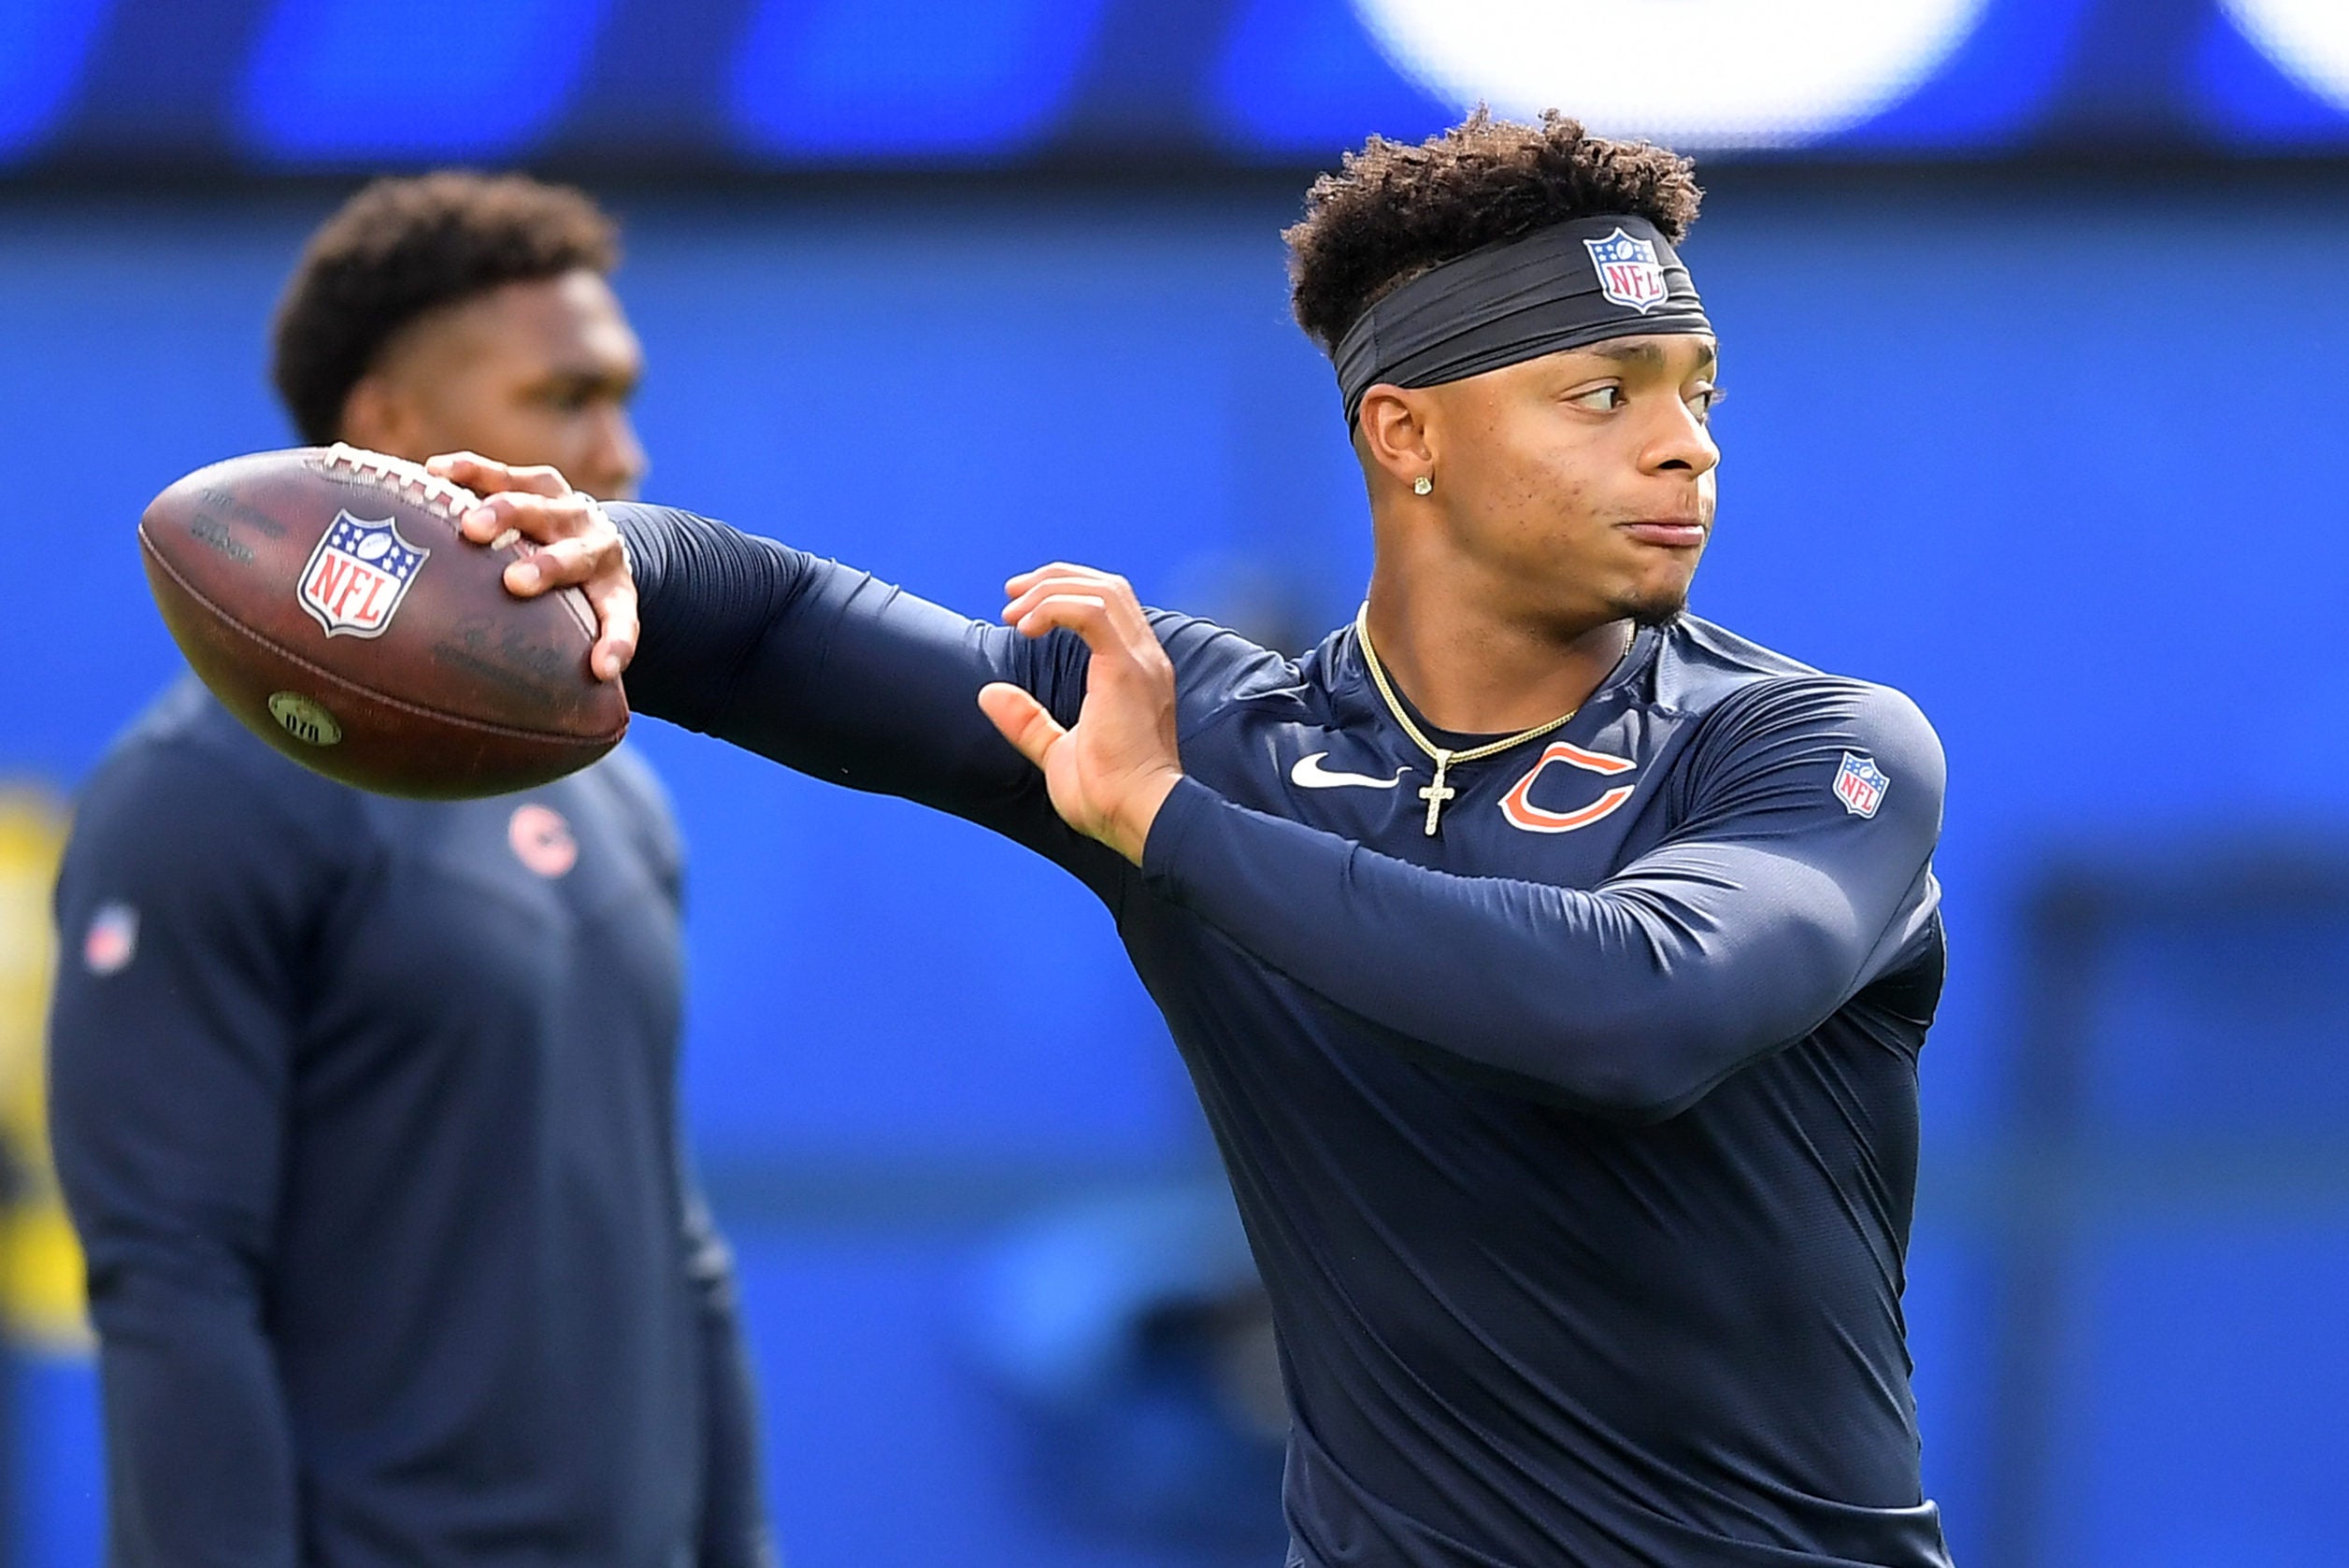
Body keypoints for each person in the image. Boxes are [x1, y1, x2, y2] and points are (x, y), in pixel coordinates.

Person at [441, 110, 1952, 1568]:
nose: (1687, 447)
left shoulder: (1810, 745)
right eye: (1607, 393)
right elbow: (779, 621)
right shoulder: (1203, 726)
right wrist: (597, 554)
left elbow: (1638, 1011)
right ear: (1406, 431)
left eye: (1698, 390)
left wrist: (1169, 825)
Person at [49, 174, 773, 1568]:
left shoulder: (611, 786)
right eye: (564, 398)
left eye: (622, 397)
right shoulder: (196, 795)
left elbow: (673, 1248)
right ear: (385, 432)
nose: (620, 453)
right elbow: (174, 1283)